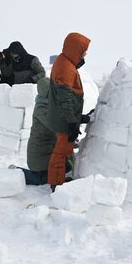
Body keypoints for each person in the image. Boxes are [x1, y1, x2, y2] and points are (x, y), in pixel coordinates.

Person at [46, 32, 91, 190]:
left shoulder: (65, 62)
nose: (85, 54)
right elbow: (65, 98)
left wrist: (78, 118)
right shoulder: (66, 68)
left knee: (63, 151)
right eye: (83, 51)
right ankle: (56, 184)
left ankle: (58, 179)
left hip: (63, 117)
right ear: (75, 49)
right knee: (61, 151)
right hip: (64, 119)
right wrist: (72, 122)